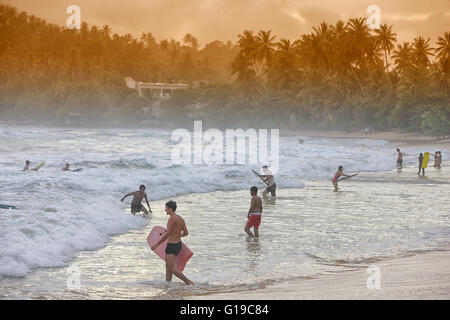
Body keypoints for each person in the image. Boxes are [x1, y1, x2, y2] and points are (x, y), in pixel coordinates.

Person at [151, 201, 194, 285]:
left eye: (166, 208)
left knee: (170, 268)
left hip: (171, 246)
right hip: (178, 245)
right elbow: (185, 233)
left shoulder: (172, 219)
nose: (165, 210)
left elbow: (167, 234)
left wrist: (156, 245)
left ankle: (188, 281)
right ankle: (168, 284)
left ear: (170, 208)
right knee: (168, 267)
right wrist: (176, 235)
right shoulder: (181, 219)